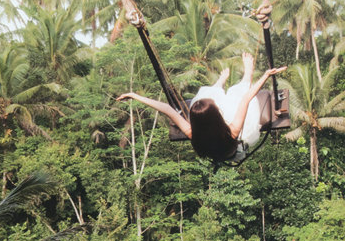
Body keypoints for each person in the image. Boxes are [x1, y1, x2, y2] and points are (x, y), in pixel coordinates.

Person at [117, 52, 286, 163]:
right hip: (235, 147)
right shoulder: (232, 132)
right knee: (237, 93)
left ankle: (219, 82)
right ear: (217, 115)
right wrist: (265, 75)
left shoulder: (195, 134)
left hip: (215, 145)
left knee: (208, 96)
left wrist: (135, 96)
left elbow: (166, 109)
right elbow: (246, 99)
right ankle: (246, 74)